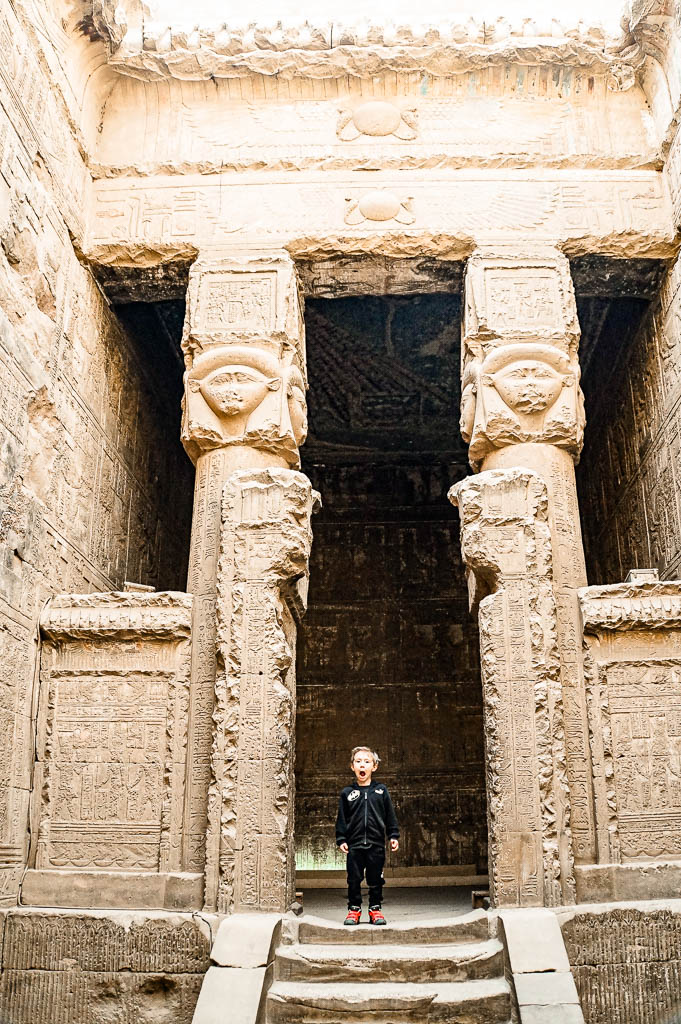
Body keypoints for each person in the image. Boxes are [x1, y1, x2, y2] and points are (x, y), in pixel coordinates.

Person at [335, 746, 400, 926]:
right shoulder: (347, 793)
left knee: (376, 878)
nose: (362, 765)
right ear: (352, 766)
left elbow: (390, 816)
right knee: (353, 878)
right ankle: (354, 909)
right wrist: (341, 838)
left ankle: (375, 909)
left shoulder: (381, 791)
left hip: (376, 844)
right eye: (358, 761)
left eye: (367, 761)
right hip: (354, 845)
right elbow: (341, 817)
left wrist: (393, 835)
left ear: (374, 767)